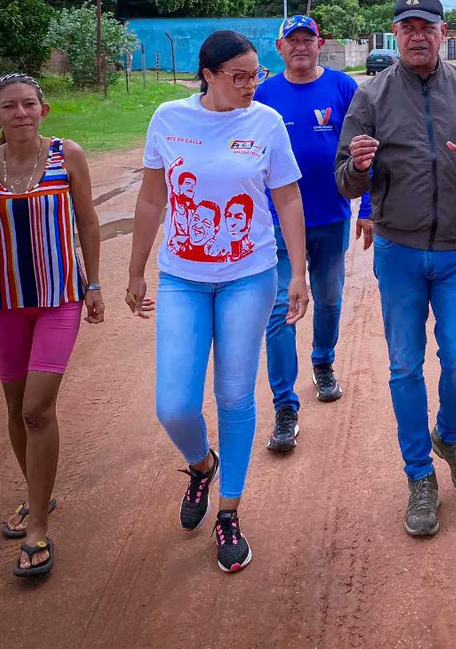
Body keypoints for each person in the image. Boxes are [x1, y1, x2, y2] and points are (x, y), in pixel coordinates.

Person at [127, 31, 309, 573]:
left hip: (248, 276)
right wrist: (134, 269)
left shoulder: (266, 123)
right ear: (208, 75)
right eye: (240, 76)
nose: (252, 85)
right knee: (174, 405)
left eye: (257, 74)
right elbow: (152, 196)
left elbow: (287, 196)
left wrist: (296, 271)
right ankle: (201, 465)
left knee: (234, 395)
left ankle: (229, 510)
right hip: (181, 277)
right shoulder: (169, 119)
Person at [335, 0, 456, 538]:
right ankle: (419, 477)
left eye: (426, 26)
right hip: (399, 251)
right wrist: (360, 168)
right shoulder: (372, 96)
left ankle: (450, 436)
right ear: (396, 33)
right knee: (404, 367)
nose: (416, 35)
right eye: (407, 26)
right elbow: (344, 178)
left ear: (441, 33)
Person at [0, 73, 104, 578]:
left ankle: (37, 524)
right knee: (16, 409)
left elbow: (87, 220)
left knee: (38, 408)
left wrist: (96, 284)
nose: (20, 113)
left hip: (60, 296)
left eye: (28, 104)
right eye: (9, 106)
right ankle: (36, 492)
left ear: (44, 109)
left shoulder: (68, 154)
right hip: (5, 302)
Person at [255, 15, 373, 453]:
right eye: (293, 40)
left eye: (308, 39)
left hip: (330, 215)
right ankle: (285, 406)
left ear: (319, 44)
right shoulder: (263, 95)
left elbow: (367, 145)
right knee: (280, 308)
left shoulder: (343, 88)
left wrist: (370, 206)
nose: (301, 46)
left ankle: (323, 362)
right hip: (276, 222)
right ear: (279, 48)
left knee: (328, 298)